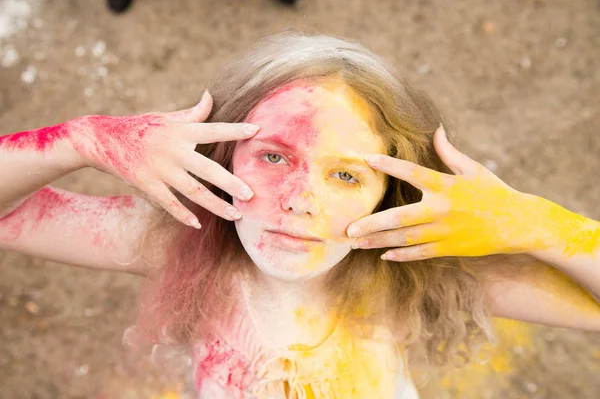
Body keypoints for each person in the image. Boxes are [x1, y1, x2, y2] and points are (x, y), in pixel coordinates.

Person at [1, 32, 599, 398]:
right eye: (272, 155)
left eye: (345, 175)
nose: (298, 199)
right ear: (217, 154)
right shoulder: (178, 240)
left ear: (387, 197)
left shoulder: (415, 271)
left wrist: (533, 222)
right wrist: (82, 140)